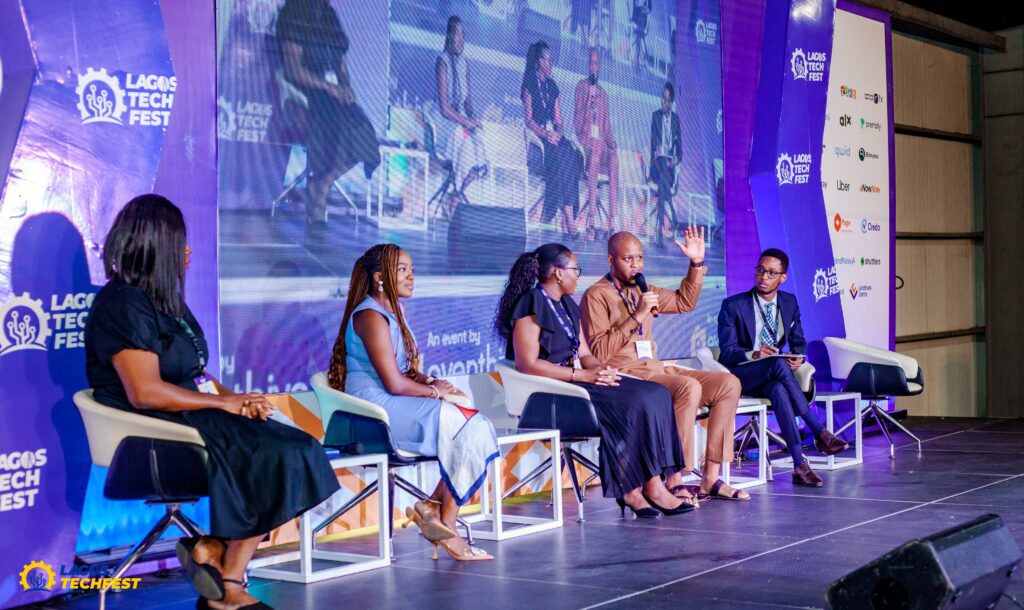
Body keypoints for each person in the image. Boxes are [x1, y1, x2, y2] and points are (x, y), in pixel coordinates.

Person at [84, 195, 339, 610]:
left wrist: (236, 398)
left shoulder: (166, 301)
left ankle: (224, 563)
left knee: (295, 448)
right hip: (152, 433)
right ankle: (223, 564)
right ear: (157, 247)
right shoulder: (123, 303)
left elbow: (197, 372)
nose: (188, 252)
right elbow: (144, 391)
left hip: (195, 415)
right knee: (282, 454)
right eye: (180, 243)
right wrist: (225, 407)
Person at [494, 243, 693, 518]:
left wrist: (602, 371)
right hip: (551, 392)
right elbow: (527, 364)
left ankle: (655, 482)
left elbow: (585, 353)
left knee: (655, 393)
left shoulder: (567, 305)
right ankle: (633, 490)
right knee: (634, 401)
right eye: (576, 269)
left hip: (577, 381)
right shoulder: (531, 303)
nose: (579, 275)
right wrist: (583, 375)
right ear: (557, 273)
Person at [328, 244, 499, 560]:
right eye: (403, 270)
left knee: (474, 423)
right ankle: (442, 518)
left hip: (393, 402)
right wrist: (437, 394)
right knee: (470, 424)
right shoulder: (369, 315)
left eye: (412, 270)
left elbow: (404, 373)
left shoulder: (395, 313)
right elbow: (392, 383)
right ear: (380, 278)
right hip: (374, 413)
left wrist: (429, 381)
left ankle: (435, 509)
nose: (411, 277)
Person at [580, 229, 748, 502]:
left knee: (728, 384)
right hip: (627, 374)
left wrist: (695, 264)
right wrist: (636, 316)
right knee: (687, 387)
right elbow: (599, 351)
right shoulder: (596, 295)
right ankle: (674, 478)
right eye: (627, 259)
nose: (636, 265)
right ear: (611, 260)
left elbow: (685, 302)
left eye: (639, 258)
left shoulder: (645, 290)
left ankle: (710, 477)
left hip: (656, 368)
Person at [717, 248, 850, 487]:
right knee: (777, 365)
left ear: (782, 277)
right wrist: (754, 353)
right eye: (760, 270)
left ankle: (799, 464)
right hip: (743, 374)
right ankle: (819, 430)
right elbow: (726, 353)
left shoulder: (789, 302)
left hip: (773, 376)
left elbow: (798, 340)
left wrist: (799, 357)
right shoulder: (733, 305)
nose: (763, 277)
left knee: (778, 388)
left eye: (771, 273)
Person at [276, 0, 380, 228]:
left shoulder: (330, 15)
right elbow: (293, 70)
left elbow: (341, 65)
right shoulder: (292, 12)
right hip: (305, 91)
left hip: (330, 92)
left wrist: (345, 87)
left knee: (363, 131)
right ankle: (318, 202)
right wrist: (327, 87)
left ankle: (321, 185)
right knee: (330, 124)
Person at [522, 41, 583, 237]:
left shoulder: (553, 86)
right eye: (547, 60)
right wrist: (546, 134)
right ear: (539, 61)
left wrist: (557, 132)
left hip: (553, 138)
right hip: (540, 140)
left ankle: (567, 213)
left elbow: (559, 120)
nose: (551, 65)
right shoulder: (529, 82)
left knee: (571, 153)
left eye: (552, 61)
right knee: (558, 155)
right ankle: (568, 216)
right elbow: (529, 120)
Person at [432, 16, 489, 215]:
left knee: (479, 142)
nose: (461, 40)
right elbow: (445, 108)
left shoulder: (465, 64)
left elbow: (467, 102)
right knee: (462, 138)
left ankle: (457, 194)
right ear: (449, 36)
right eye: (457, 35)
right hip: (447, 123)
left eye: (463, 36)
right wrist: (466, 122)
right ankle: (457, 197)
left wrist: (475, 120)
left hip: (462, 121)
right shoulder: (442, 62)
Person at [573, 48, 619, 236]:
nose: (594, 67)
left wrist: (613, 143)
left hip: (600, 146)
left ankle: (612, 220)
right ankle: (591, 218)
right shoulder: (581, 86)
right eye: (591, 62)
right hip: (586, 145)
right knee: (596, 150)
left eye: (597, 63)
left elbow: (606, 127)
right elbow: (577, 125)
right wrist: (588, 104)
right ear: (587, 65)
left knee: (615, 158)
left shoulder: (604, 94)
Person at [649, 83, 681, 241]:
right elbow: (652, 140)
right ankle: (673, 215)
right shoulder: (655, 116)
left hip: (669, 168)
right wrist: (657, 149)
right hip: (657, 165)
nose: (663, 102)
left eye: (667, 100)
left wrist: (676, 159)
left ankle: (660, 230)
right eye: (662, 98)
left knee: (664, 178)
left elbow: (680, 150)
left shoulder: (676, 120)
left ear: (672, 102)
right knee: (661, 167)